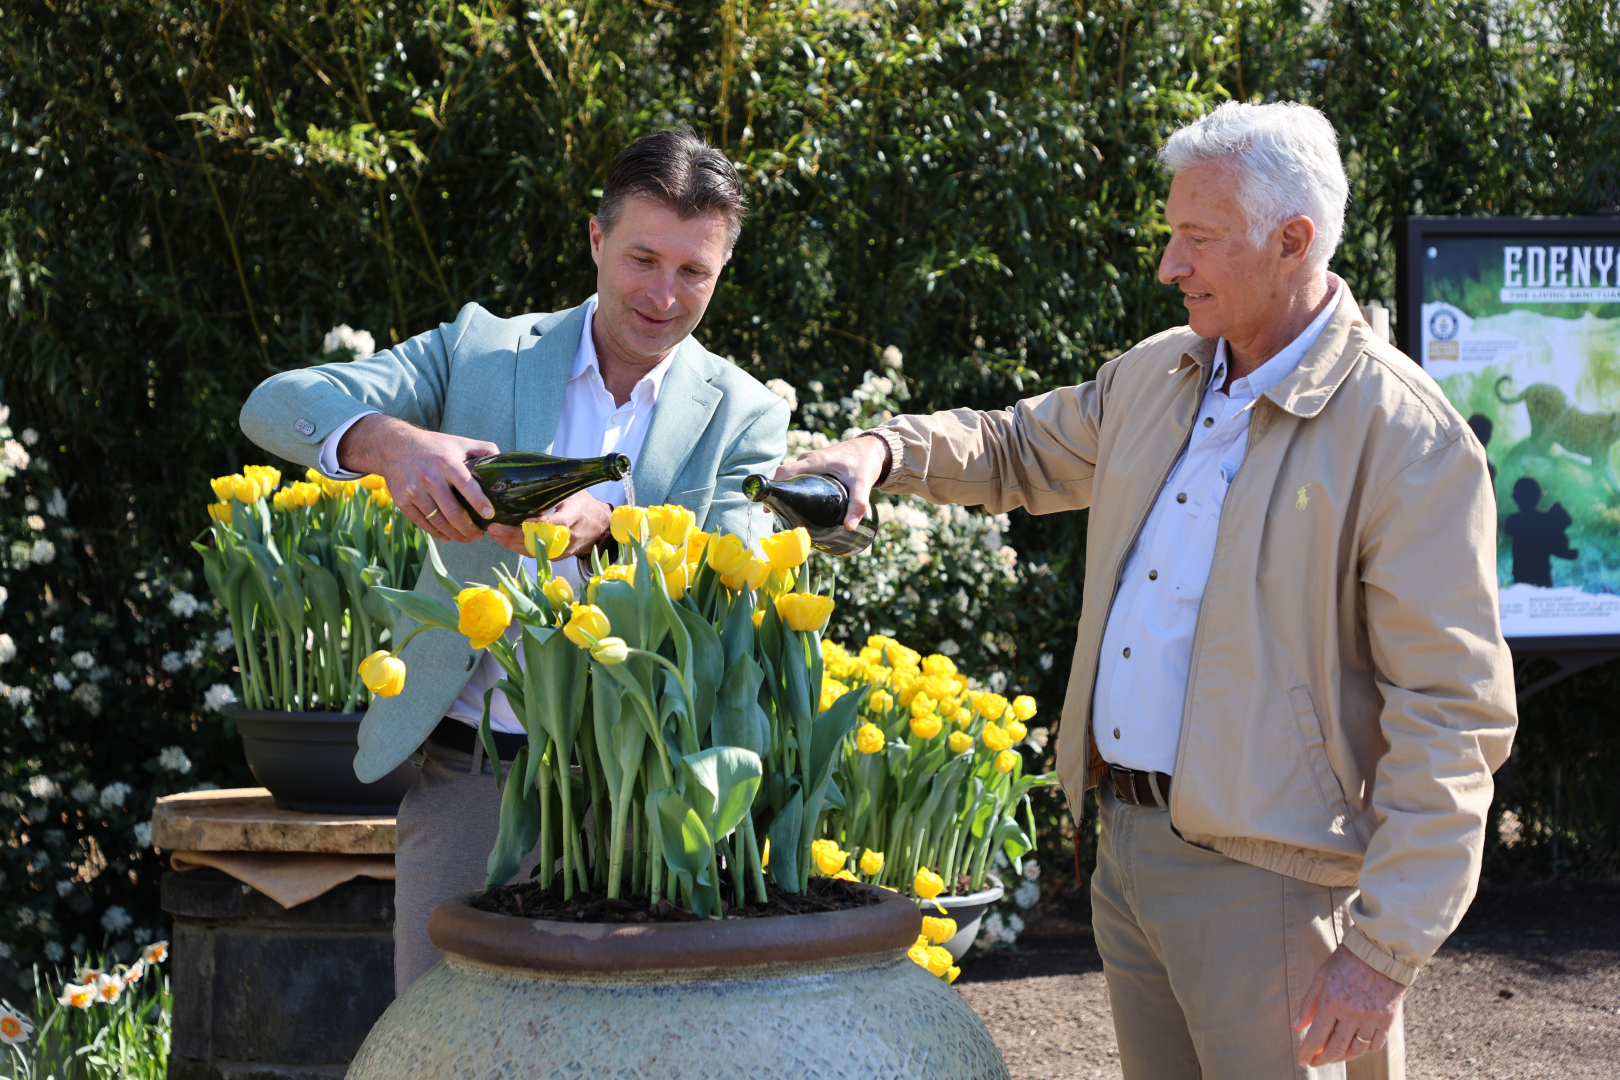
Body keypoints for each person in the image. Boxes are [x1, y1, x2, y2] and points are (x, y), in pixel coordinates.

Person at [779, 102, 1516, 1079]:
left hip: (1274, 889)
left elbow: (1452, 711)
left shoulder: (1405, 436)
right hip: (1128, 857)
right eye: (1173, 234)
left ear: (1293, 241)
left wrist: (1384, 952)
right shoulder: (1159, 375)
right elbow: (1012, 448)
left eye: (1199, 239)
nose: (1171, 264)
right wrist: (879, 449)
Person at [240, 129, 790, 994]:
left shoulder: (744, 411)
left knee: (625, 1052)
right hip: (473, 777)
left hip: (645, 793)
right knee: (441, 1039)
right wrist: (388, 442)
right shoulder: (481, 351)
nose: (664, 294)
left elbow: (737, 567)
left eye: (695, 272)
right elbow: (277, 405)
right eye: (643, 257)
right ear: (597, 240)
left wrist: (609, 523)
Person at [1503, 475, 1576, 587]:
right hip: (1542, 574)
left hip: (1521, 574)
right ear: (1539, 496)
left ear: (1515, 497)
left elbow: (1509, 530)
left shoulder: (1513, 520)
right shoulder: (1545, 521)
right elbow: (1554, 544)